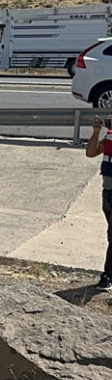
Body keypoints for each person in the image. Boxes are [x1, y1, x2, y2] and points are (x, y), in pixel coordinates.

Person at [84, 115, 112, 291]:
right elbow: (91, 152)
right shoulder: (109, 135)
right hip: (108, 193)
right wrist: (96, 133)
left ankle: (107, 275)